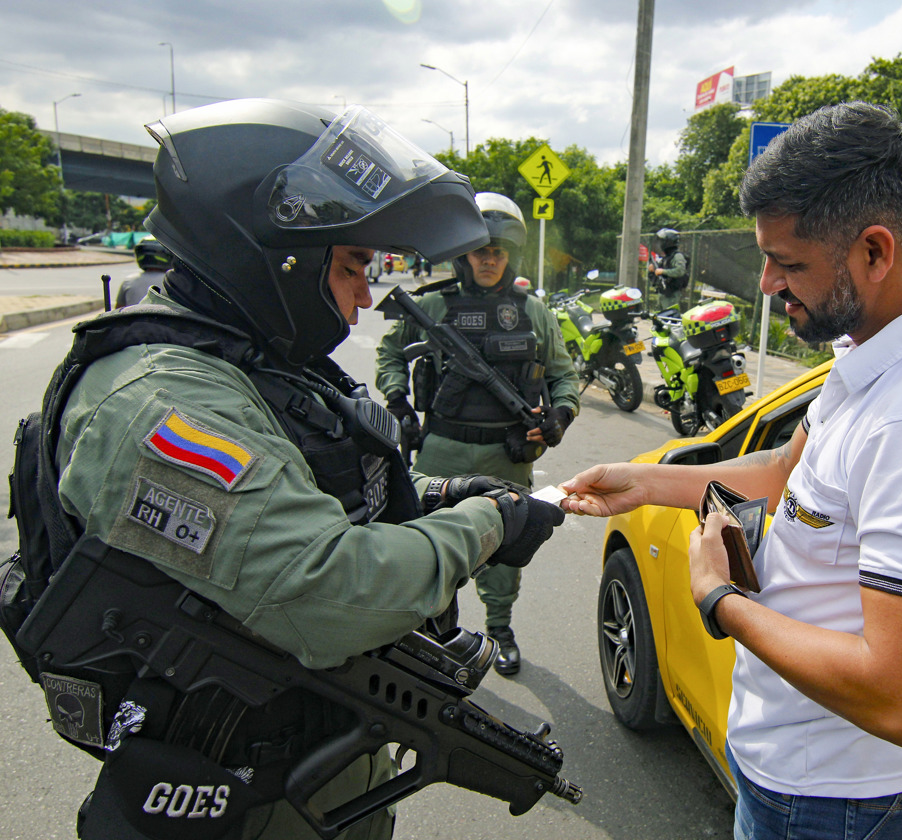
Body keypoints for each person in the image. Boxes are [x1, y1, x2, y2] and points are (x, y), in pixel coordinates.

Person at [32, 99, 564, 840]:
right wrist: (484, 524)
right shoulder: (156, 403)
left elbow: (296, 494)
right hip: (233, 795)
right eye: (351, 268)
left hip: (315, 766)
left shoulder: (252, 364)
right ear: (271, 254)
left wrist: (441, 496)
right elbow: (325, 587)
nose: (361, 301)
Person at [560, 102, 902, 840]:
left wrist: (720, 601)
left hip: (837, 803)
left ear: (875, 252)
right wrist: (647, 483)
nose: (769, 282)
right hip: (790, 766)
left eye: (791, 262)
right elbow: (785, 470)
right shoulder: (873, 353)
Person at [375, 193, 580, 676]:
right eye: (480, 251)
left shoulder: (532, 311)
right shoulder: (431, 304)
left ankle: (500, 630)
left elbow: (563, 375)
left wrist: (562, 415)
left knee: (506, 554)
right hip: (440, 450)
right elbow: (390, 355)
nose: (489, 261)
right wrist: (398, 402)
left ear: (510, 256)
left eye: (498, 253)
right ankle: (432, 638)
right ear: (464, 254)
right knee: (425, 548)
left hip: (507, 454)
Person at [649, 227, 688, 311]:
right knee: (660, 318)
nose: (660, 244)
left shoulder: (677, 256)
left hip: (672, 294)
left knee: (670, 317)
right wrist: (653, 271)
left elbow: (680, 271)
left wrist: (663, 271)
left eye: (662, 241)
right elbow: (657, 277)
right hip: (664, 293)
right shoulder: (666, 257)